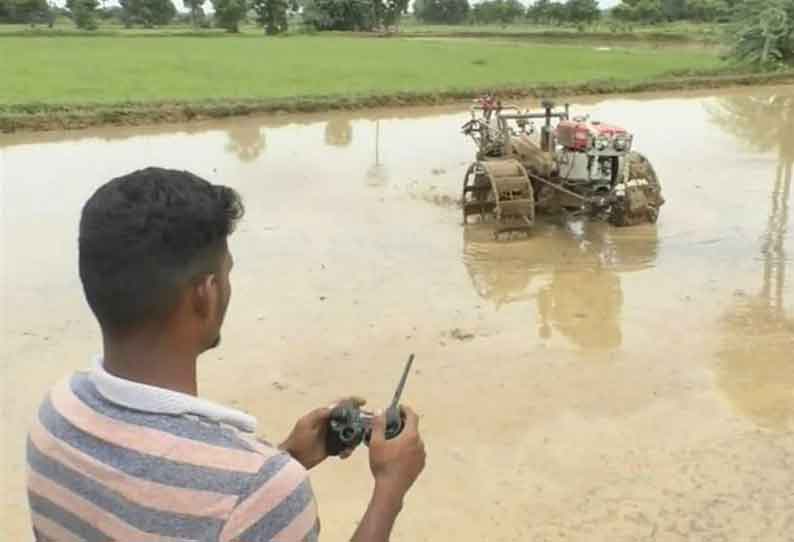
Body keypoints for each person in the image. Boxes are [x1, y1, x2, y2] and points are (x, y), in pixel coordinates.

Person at [25, 167, 426, 542]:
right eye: (227, 272)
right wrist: (389, 489)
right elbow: (231, 505)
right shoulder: (258, 492)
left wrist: (288, 456)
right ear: (206, 293)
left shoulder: (55, 413)